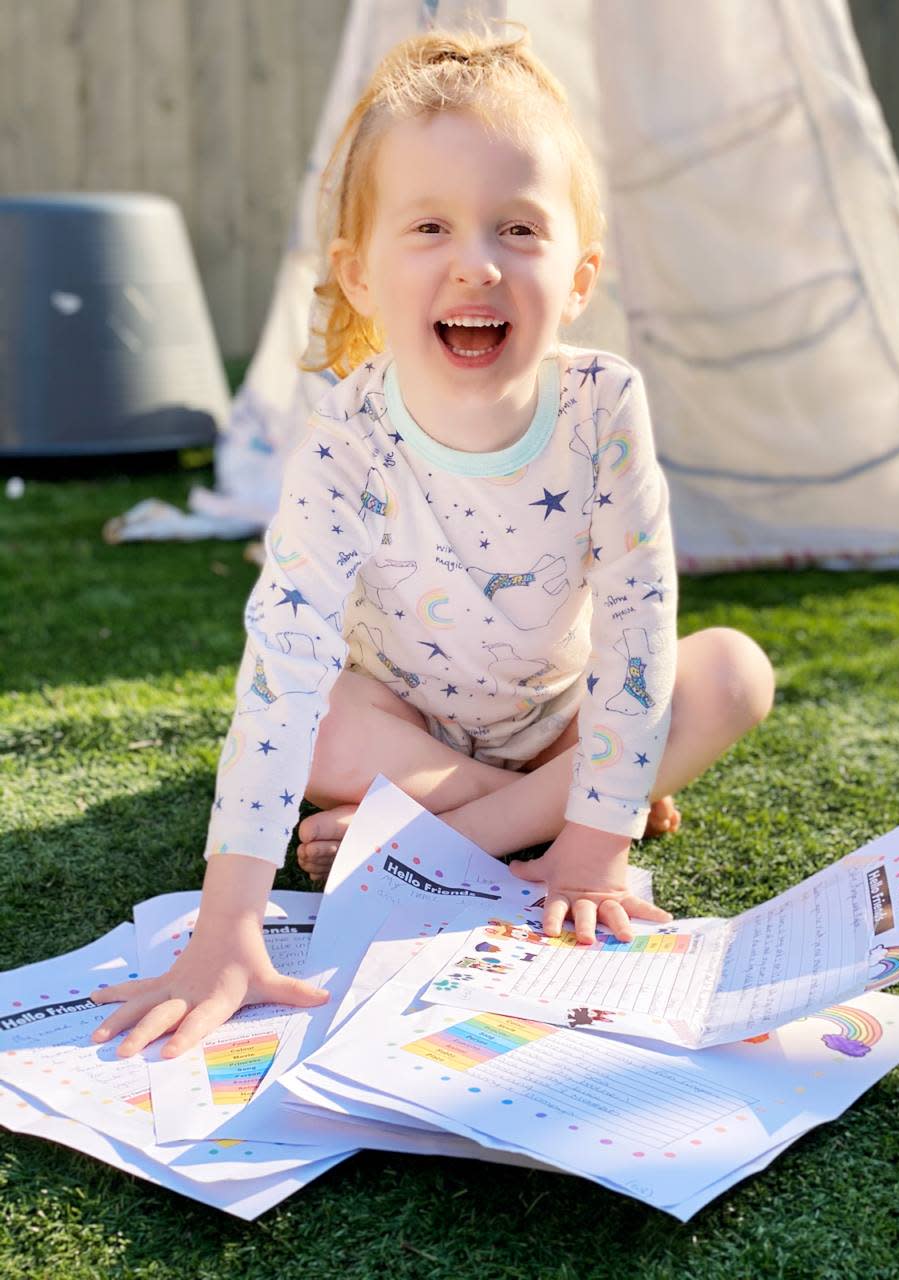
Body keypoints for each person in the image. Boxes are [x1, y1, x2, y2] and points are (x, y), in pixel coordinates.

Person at [91, 24, 775, 1059]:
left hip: (555, 719)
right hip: (399, 727)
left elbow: (641, 627)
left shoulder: (605, 405)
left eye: (518, 229)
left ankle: (490, 829)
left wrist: (591, 847)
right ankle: (577, 794)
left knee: (732, 672)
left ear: (580, 274)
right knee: (313, 721)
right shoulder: (343, 441)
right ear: (358, 272)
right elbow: (285, 662)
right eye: (430, 228)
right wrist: (229, 916)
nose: (477, 264)